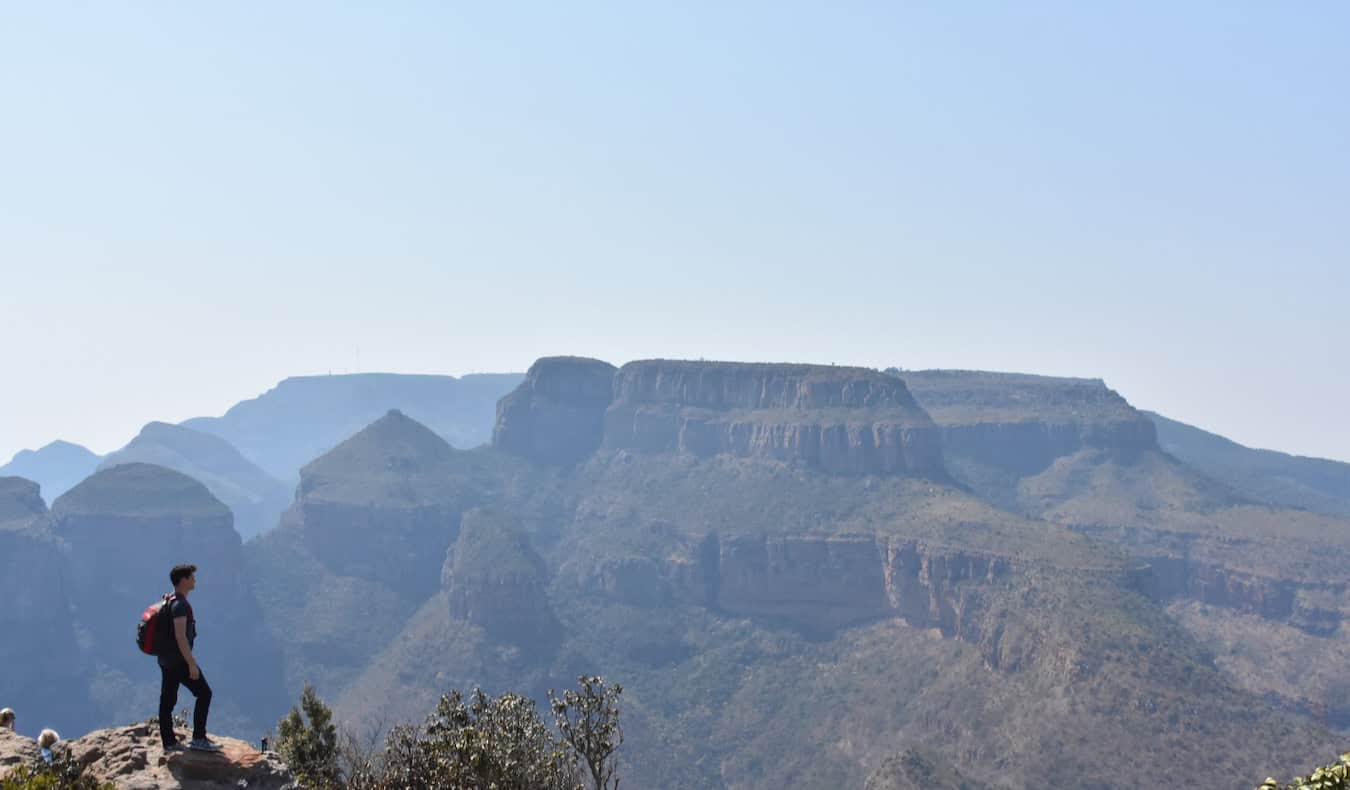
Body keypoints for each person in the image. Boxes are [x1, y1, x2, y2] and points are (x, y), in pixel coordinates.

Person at [157, 563, 221, 753]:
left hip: (166, 660)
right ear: (184, 580)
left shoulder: (169, 601)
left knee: (167, 701)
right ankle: (199, 738)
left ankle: (168, 743)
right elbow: (180, 636)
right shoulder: (180, 605)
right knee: (204, 693)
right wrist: (191, 664)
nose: (195, 580)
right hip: (179, 661)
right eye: (192, 577)